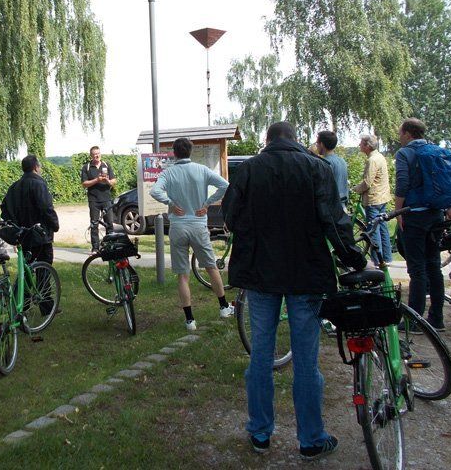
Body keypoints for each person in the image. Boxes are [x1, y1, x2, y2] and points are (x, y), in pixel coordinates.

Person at [222, 121, 366, 461]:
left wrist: (256, 231)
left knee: (261, 353)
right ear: (296, 139)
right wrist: (353, 258)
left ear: (268, 140)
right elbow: (333, 220)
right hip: (307, 273)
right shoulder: (317, 168)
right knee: (306, 359)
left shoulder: (250, 170)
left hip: (261, 273)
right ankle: (311, 439)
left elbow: (230, 215)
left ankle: (260, 432)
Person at [150, 137, 231, 331]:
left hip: (178, 226)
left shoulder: (168, 173)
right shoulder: (201, 170)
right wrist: (208, 203)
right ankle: (223, 307)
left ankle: (190, 320)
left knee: (183, 275)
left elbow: (155, 191)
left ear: (174, 153)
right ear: (190, 151)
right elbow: (225, 185)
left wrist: (170, 203)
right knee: (211, 267)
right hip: (198, 225)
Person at [395, 118, 451, 332]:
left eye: (400, 133)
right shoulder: (437, 151)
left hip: (414, 215)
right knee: (433, 266)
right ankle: (437, 319)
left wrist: (398, 211)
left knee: (417, 269)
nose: (399, 137)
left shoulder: (405, 153)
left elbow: (402, 183)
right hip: (436, 214)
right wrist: (449, 206)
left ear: (408, 133)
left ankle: (414, 320)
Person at [1, 155, 59, 264]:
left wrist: (15, 224)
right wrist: (55, 224)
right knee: (44, 267)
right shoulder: (39, 184)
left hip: (23, 235)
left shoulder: (14, 186)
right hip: (40, 235)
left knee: (27, 268)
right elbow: (46, 208)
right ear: (36, 167)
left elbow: (5, 209)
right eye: (39, 167)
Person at [351, 134, 392, 264]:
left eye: (361, 143)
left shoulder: (372, 160)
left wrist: (355, 189)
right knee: (383, 228)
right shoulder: (380, 156)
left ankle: (378, 261)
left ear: (367, 146)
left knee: (373, 231)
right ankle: (387, 258)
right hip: (382, 197)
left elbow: (367, 183)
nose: (359, 145)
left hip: (373, 199)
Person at [80, 146, 116, 253]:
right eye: (95, 154)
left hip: (106, 199)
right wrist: (97, 180)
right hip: (93, 200)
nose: (97, 156)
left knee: (109, 223)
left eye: (98, 153)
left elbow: (114, 181)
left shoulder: (106, 165)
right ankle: (95, 248)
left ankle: (110, 246)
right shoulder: (86, 167)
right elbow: (84, 184)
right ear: (91, 156)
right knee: (94, 224)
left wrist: (108, 181)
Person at [315, 130, 349, 212]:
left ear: (322, 144)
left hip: (332, 207)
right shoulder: (342, 161)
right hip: (343, 204)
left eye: (317, 143)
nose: (316, 146)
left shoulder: (324, 163)